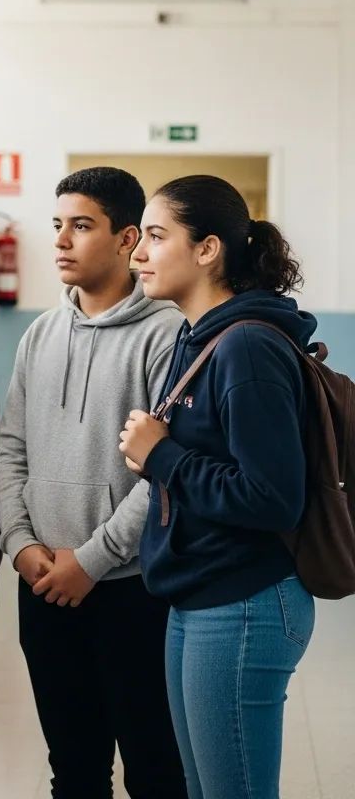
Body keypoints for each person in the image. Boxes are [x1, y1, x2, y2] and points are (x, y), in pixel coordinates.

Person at [0, 167, 187, 799]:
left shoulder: (167, 336)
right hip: (44, 583)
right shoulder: (40, 335)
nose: (61, 241)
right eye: (57, 226)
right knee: (73, 770)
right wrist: (21, 545)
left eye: (81, 226)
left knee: (154, 768)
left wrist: (94, 559)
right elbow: (10, 448)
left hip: (132, 591)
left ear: (128, 238)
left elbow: (162, 472)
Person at [121, 174, 315, 799]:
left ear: (207, 249)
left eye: (155, 236)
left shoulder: (247, 348)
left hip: (245, 601)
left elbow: (272, 496)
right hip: (200, 595)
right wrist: (164, 456)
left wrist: (164, 457)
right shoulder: (196, 336)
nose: (138, 253)